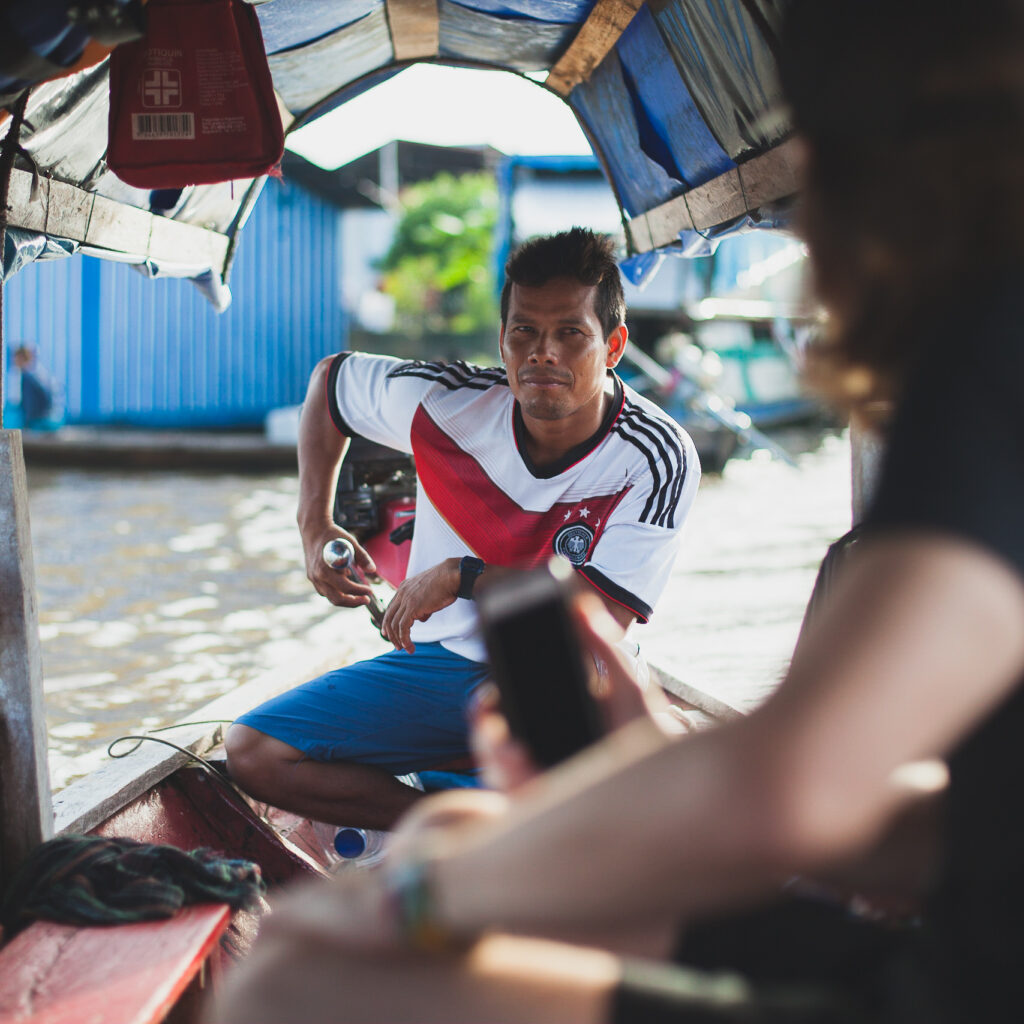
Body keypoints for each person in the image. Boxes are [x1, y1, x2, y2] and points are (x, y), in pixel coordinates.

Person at [208, 1, 1024, 1021]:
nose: (803, 225)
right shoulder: (988, 355)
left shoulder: (985, 353)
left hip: (948, 988)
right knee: (316, 781)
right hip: (955, 941)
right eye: (522, 336)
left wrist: (425, 896)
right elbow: (946, 822)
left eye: (804, 174)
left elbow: (792, 787)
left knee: (299, 974)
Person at [224, 228, 700, 830]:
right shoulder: (445, 404)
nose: (542, 353)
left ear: (612, 346)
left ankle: (520, 794)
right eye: (524, 331)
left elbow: (602, 617)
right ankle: (451, 824)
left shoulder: (657, 454)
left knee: (655, 789)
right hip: (441, 666)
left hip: (572, 672)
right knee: (252, 753)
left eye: (570, 333)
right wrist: (314, 524)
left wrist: (462, 576)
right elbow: (332, 382)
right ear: (501, 341)